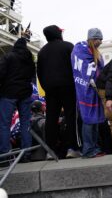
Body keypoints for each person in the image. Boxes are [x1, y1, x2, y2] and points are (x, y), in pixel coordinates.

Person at [37, 25, 80, 159]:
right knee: (71, 116)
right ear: (58, 33)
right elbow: (76, 67)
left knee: (51, 118)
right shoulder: (68, 46)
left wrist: (46, 87)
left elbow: (39, 73)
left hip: (50, 88)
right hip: (68, 86)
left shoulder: (42, 51)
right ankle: (72, 148)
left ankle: (51, 151)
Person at [71, 28, 106, 158]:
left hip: (95, 89)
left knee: (95, 120)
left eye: (101, 39)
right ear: (92, 39)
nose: (100, 42)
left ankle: (95, 148)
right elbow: (85, 69)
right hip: (85, 89)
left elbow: (99, 68)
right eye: (98, 39)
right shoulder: (80, 50)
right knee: (88, 120)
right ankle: (88, 150)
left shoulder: (94, 52)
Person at [0, 38, 35, 163]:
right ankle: (26, 154)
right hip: (25, 94)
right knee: (26, 123)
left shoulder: (9, 57)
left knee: (4, 124)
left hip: (8, 93)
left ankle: (4, 155)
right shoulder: (29, 60)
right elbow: (32, 75)